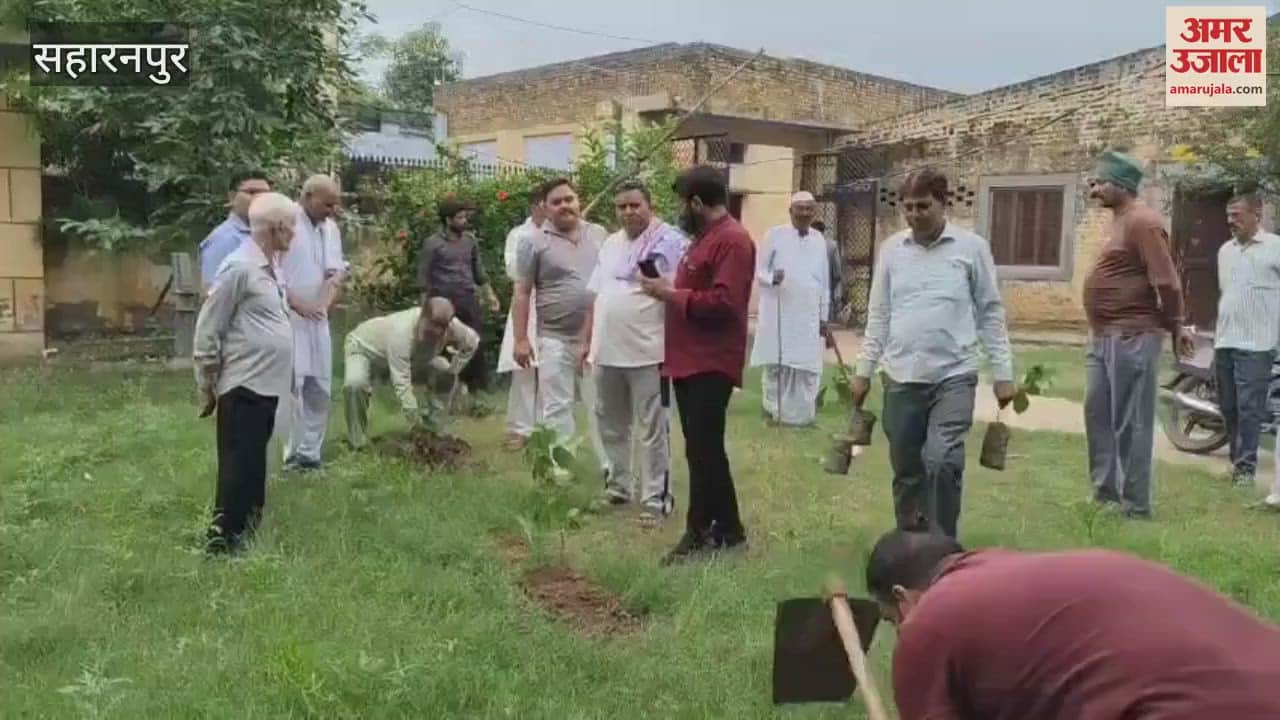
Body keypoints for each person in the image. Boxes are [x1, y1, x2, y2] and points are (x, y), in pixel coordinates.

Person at [863, 529, 1280, 720]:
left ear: (903, 597)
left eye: (892, 620)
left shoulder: (930, 619)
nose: (900, 632)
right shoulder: (1021, 580)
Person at [851, 169, 1014, 539]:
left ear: (944, 203)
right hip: (900, 375)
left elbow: (990, 312)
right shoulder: (892, 250)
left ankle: (942, 545)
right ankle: (912, 547)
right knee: (907, 469)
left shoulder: (972, 248)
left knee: (942, 459)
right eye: (908, 207)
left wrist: (1003, 374)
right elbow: (879, 315)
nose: (914, 214)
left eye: (923, 206)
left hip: (954, 374)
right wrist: (863, 371)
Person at [639, 166, 755, 564]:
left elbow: (725, 303)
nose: (679, 211)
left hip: (710, 360)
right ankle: (730, 531)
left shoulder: (733, 241)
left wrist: (669, 294)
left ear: (697, 203)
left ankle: (699, 533)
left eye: (681, 204)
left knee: (704, 451)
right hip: (687, 359)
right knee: (703, 450)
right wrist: (669, 289)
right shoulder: (705, 238)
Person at [1083, 150, 1194, 519]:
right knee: (1098, 415)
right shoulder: (1118, 221)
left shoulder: (1143, 223)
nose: (1095, 189)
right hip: (1103, 335)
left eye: (1101, 182)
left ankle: (1135, 506)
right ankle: (1105, 495)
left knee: (1132, 422)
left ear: (1122, 184)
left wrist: (1176, 325)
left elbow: (1168, 283)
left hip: (1133, 335)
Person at [192, 192, 297, 555]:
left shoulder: (271, 268)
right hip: (243, 383)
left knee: (254, 465)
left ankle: (247, 535)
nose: (295, 234)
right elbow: (209, 328)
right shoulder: (238, 267)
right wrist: (206, 383)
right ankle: (222, 542)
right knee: (238, 465)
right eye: (291, 226)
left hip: (267, 384)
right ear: (276, 228)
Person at [580, 181, 687, 522]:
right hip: (607, 349)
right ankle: (619, 487)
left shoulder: (669, 242)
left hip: (648, 351)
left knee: (653, 428)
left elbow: (678, 291)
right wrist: (586, 340)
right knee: (610, 424)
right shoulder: (610, 244)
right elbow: (597, 295)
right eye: (622, 206)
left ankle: (656, 498)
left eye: (635, 205)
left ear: (649, 206)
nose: (628, 212)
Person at [511, 177, 609, 476]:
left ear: (579, 201)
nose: (565, 205)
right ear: (544, 207)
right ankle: (560, 470)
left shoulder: (599, 234)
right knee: (557, 406)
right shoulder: (532, 241)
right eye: (557, 202)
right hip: (554, 337)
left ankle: (612, 468)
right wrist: (520, 339)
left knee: (602, 405)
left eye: (569, 199)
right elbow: (522, 291)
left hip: (597, 337)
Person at [342, 297, 480, 449]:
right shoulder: (401, 331)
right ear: (422, 318)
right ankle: (357, 441)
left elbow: (472, 342)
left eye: (443, 327)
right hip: (364, 350)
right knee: (355, 384)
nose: (439, 332)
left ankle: (434, 427)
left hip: (410, 360)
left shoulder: (453, 327)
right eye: (434, 326)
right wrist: (415, 421)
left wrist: (454, 369)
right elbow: (402, 381)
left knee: (443, 370)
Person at [280, 174, 348, 471]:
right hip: (289, 316)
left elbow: (335, 271)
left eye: (335, 205)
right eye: (327, 204)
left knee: (319, 384)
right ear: (308, 197)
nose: (332, 210)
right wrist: (299, 305)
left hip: (318, 317)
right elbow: (272, 272)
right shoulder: (285, 222)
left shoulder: (330, 228)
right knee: (293, 384)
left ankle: (311, 453)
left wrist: (326, 303)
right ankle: (291, 454)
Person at [1213, 193, 1280, 487]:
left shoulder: (1275, 247)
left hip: (1258, 343)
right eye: (1228, 215)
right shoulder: (1225, 251)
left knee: (1249, 408)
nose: (1231, 221)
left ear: (1257, 215)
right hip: (1225, 340)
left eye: (1237, 215)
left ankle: (1245, 470)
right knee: (1228, 405)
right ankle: (1236, 461)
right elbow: (1227, 293)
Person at [749, 191, 831, 427]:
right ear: (790, 211)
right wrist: (771, 277)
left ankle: (803, 416)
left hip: (808, 313)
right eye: (800, 208)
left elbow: (824, 281)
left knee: (807, 364)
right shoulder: (774, 235)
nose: (804, 213)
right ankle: (775, 412)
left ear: (814, 212)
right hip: (780, 310)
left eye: (809, 208)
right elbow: (759, 271)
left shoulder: (819, 240)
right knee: (777, 363)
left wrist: (823, 316)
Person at [417, 198, 501, 394]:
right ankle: (445, 386)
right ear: (448, 220)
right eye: (460, 218)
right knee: (444, 345)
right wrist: (424, 309)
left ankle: (476, 388)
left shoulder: (469, 241)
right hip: (443, 303)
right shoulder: (433, 244)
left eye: (465, 217)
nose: (464, 221)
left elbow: (479, 272)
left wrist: (490, 296)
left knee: (474, 342)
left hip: (468, 299)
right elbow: (423, 277)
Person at [498, 189, 547, 450]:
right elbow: (513, 270)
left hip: (552, 303)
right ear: (534, 206)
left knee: (550, 368)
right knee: (524, 369)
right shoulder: (519, 235)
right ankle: (521, 428)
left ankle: (546, 429)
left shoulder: (560, 233)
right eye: (544, 203)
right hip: (526, 301)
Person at [198, 169, 272, 293]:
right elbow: (213, 294)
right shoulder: (223, 239)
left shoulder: (270, 235)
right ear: (232, 197)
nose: (260, 198)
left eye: (266, 194)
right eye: (252, 192)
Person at [811, 219, 844, 320]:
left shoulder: (803, 245)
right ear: (823, 231)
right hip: (825, 293)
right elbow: (837, 273)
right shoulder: (831, 246)